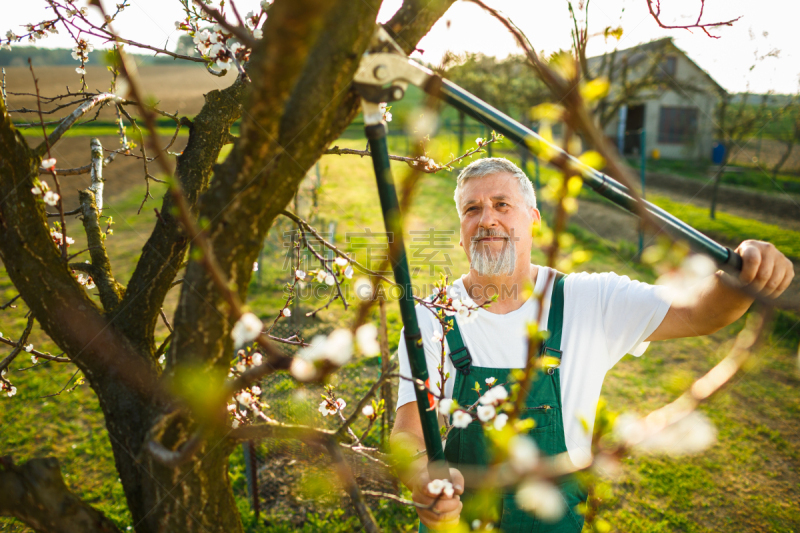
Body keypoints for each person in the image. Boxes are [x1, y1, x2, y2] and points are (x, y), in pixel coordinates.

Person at [390, 158, 794, 532]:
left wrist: (745, 270)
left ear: (534, 220)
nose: (487, 219)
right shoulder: (431, 315)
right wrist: (424, 478)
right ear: (460, 231)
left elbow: (700, 313)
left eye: (501, 204)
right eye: (472, 210)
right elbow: (408, 435)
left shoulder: (589, 299)